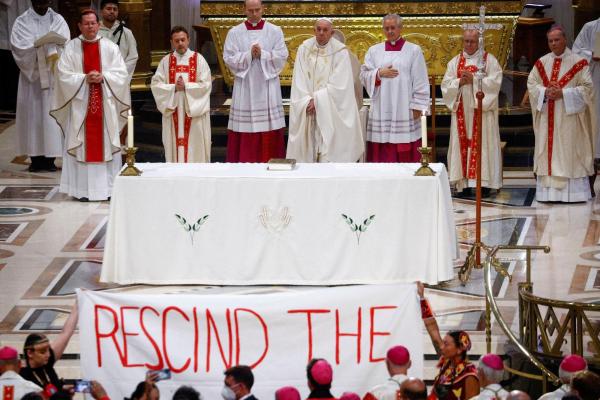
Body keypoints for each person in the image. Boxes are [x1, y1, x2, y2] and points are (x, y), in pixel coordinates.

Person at [51, 8, 130, 202]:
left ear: (98, 24)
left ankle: (108, 189)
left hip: (105, 106)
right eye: (86, 23)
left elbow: (121, 74)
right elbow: (63, 75)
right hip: (81, 108)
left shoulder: (110, 47)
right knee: (82, 146)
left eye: (93, 23)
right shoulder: (71, 48)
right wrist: (84, 78)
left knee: (106, 144)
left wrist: (104, 76)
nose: (90, 27)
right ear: (79, 26)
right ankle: (82, 191)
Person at [527, 25, 595, 203]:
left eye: (557, 40)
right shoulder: (541, 63)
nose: (554, 44)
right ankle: (548, 194)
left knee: (569, 151)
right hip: (547, 116)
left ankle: (573, 195)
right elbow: (532, 84)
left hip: (569, 118)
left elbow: (588, 89)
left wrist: (563, 93)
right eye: (550, 40)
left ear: (565, 39)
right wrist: (545, 92)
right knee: (548, 152)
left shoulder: (579, 62)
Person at [287, 17, 364, 163]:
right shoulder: (304, 48)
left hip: (330, 109)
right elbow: (299, 79)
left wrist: (318, 101)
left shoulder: (340, 51)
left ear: (332, 32)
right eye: (318, 29)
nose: (321, 33)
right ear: (314, 30)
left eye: (325, 30)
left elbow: (341, 85)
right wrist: (306, 101)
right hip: (308, 107)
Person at [223, 0, 288, 163]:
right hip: (245, 86)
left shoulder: (274, 31)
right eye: (250, 10)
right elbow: (228, 58)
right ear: (244, 10)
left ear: (263, 9)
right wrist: (248, 55)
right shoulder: (234, 32)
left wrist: (263, 54)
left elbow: (282, 55)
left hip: (267, 86)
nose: (254, 14)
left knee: (268, 128)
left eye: (257, 10)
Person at [359, 14, 430, 163]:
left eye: (393, 28)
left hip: (404, 106)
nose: (390, 31)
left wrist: (418, 105)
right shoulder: (374, 51)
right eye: (386, 28)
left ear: (400, 28)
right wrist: (378, 73)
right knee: (382, 145)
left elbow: (421, 79)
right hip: (381, 106)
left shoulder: (413, 50)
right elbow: (363, 75)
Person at [441, 29, 503, 195]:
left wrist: (474, 80)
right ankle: (463, 184)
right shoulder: (454, 62)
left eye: (472, 41)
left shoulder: (489, 60)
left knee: (482, 143)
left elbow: (495, 83)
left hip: (481, 112)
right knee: (462, 144)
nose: (469, 44)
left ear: (479, 42)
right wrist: (459, 82)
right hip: (462, 111)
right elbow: (446, 85)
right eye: (466, 41)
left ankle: (482, 183)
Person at [10, 0, 70, 172]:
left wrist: (50, 47)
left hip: (51, 75)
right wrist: (41, 48)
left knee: (50, 116)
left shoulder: (57, 19)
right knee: (34, 115)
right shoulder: (22, 21)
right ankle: (35, 158)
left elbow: (65, 43)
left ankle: (50, 158)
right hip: (33, 80)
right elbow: (20, 48)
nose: (43, 3)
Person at [151, 26, 212, 163]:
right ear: (172, 42)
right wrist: (173, 88)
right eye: (177, 40)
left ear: (188, 40)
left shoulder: (199, 60)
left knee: (195, 148)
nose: (180, 43)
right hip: (174, 110)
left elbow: (206, 84)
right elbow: (156, 85)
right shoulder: (166, 61)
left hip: (193, 112)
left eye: (183, 40)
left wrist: (187, 87)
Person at [19, 303, 78, 393]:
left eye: (48, 350)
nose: (48, 354)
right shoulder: (22, 376)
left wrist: (77, 304)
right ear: (30, 353)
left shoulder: (47, 362)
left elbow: (66, 332)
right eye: (42, 352)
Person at [573, 17, 600, 195]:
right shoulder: (590, 27)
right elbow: (576, 52)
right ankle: (591, 177)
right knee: (595, 128)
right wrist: (592, 55)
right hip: (595, 80)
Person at [98, 0, 138, 108]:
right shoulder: (95, 32)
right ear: (101, 11)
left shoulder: (126, 32)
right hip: (100, 80)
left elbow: (133, 56)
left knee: (120, 114)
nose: (112, 12)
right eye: (108, 9)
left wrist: (119, 74)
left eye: (115, 9)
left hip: (120, 80)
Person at [429, 331, 479, 400]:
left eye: (446, 344)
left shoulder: (469, 374)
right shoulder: (446, 367)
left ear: (459, 349)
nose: (441, 347)